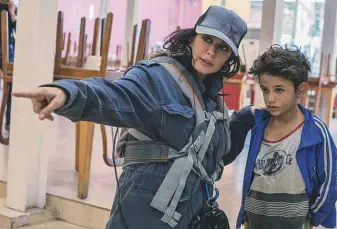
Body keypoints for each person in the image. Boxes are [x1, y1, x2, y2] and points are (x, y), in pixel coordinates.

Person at [13, 6, 256, 229]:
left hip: (190, 217)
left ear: (230, 58)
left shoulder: (216, 102)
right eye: (207, 39)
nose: (211, 52)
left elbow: (218, 158)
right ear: (193, 37)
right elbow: (114, 94)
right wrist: (67, 93)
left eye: (222, 47)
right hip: (143, 216)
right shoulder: (158, 78)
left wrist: (246, 119)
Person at [236, 45, 337, 229]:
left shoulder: (316, 131)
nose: (270, 98)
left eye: (279, 90)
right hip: (254, 221)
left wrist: (311, 218)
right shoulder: (259, 126)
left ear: (300, 90)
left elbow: (331, 181)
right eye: (265, 90)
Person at [0, 0, 17, 131]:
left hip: (8, 49)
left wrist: (12, 14)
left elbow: (17, 31)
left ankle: (9, 122)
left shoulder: (12, 6)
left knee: (11, 84)